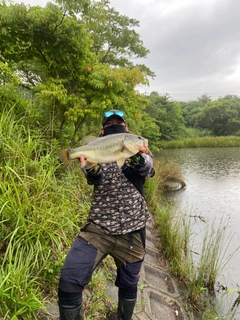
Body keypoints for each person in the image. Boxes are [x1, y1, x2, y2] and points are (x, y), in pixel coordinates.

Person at [58, 110, 155, 320]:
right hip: (98, 230)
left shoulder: (140, 150)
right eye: (110, 124)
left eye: (118, 123)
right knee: (69, 280)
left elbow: (147, 168)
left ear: (127, 129)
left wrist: (138, 156)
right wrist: (90, 168)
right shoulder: (94, 148)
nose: (115, 126)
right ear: (103, 131)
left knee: (129, 285)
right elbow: (94, 178)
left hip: (133, 230)